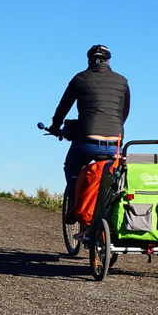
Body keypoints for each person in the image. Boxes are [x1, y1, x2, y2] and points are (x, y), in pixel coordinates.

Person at [51, 45, 129, 199]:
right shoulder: (122, 81)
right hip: (115, 142)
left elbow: (64, 106)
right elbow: (124, 113)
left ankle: (74, 203)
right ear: (108, 60)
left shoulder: (80, 78)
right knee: (116, 175)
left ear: (89, 60)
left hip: (88, 140)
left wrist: (55, 126)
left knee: (72, 167)